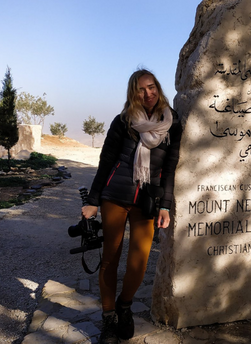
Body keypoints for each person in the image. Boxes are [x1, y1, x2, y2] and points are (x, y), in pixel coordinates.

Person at [81, 69, 181, 343]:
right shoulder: (123, 121)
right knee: (110, 258)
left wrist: (166, 206)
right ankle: (109, 317)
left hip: (147, 201)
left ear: (158, 88)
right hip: (114, 196)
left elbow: (170, 169)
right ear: (133, 93)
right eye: (141, 89)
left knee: (139, 261)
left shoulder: (172, 123)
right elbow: (106, 161)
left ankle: (124, 306)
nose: (148, 93)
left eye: (151, 87)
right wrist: (92, 201)